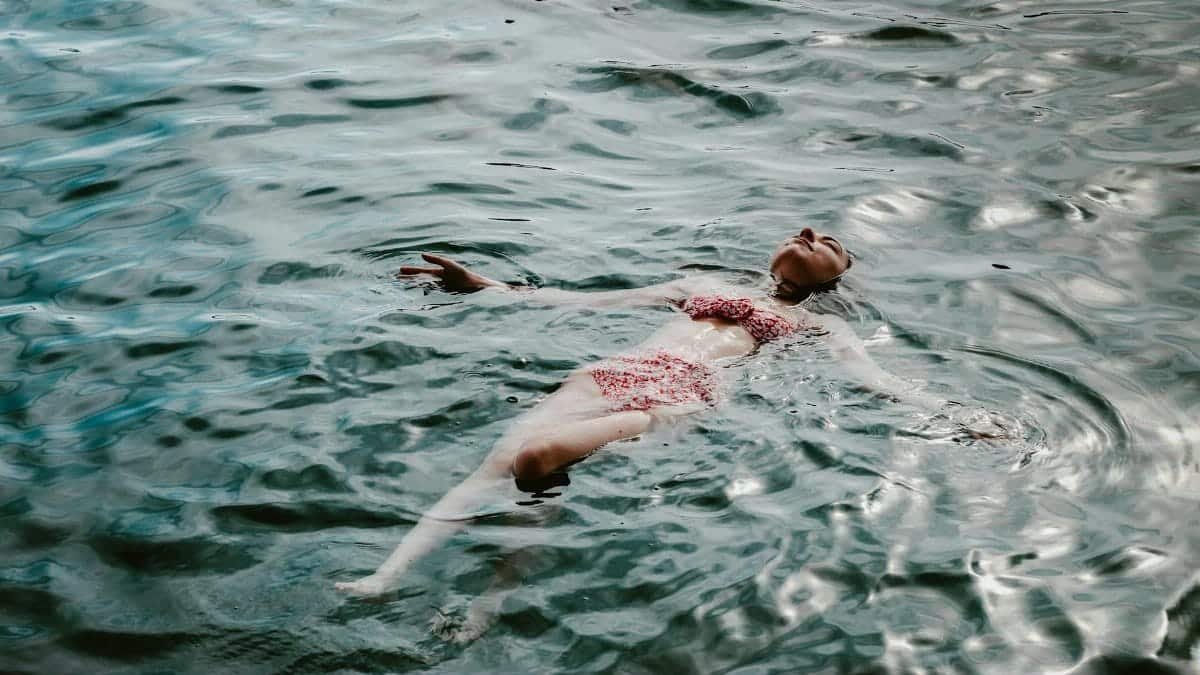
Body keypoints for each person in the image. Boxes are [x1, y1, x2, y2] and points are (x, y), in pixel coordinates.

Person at [335, 227, 961, 598]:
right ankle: (388, 577)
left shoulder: (814, 324)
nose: (810, 233)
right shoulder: (697, 284)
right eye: (804, 232)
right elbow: (584, 302)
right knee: (496, 468)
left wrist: (958, 415)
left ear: (837, 276)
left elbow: (879, 381)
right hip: (615, 371)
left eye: (830, 243)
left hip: (682, 395)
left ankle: (491, 594)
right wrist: (486, 288)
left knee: (534, 460)